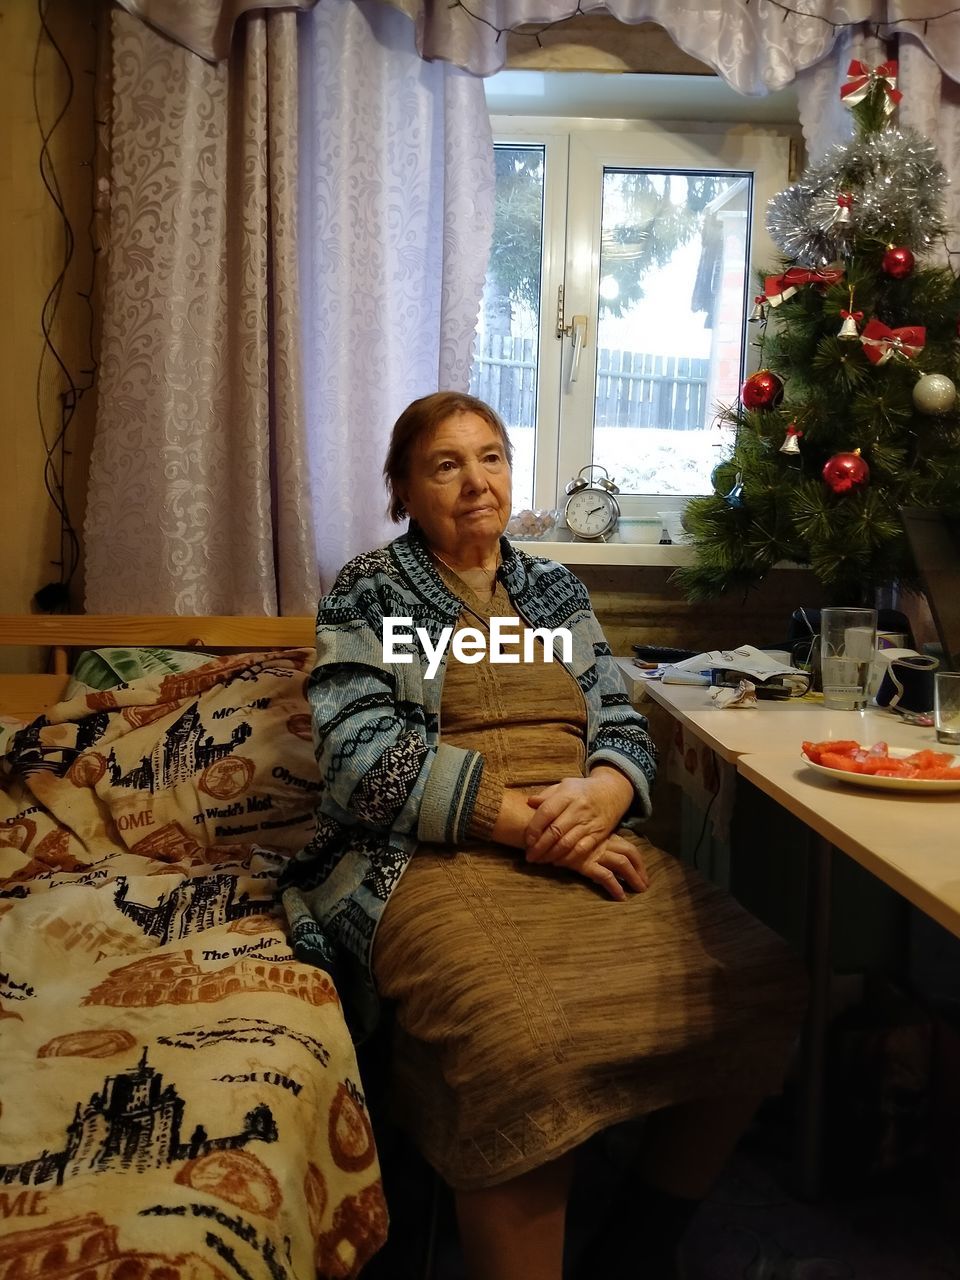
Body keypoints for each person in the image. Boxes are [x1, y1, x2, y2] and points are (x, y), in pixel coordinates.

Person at [280, 391, 807, 1280]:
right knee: (523, 1037)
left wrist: (605, 790)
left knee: (758, 975)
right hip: (424, 857)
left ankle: (639, 1244)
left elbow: (621, 718)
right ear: (403, 491)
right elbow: (361, 757)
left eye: (491, 457)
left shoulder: (556, 589)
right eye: (445, 465)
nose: (476, 481)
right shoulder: (372, 589)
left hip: (581, 831)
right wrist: (528, 824)